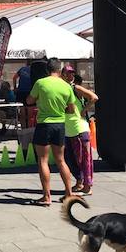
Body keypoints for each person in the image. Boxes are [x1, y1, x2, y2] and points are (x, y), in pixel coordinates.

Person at [26, 57, 78, 207]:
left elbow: (29, 100)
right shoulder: (66, 85)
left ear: (47, 69)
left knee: (43, 160)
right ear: (59, 70)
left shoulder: (41, 83)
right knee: (61, 160)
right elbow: (71, 109)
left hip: (44, 125)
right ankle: (69, 193)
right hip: (60, 125)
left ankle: (46, 196)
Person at [62, 65, 98, 195]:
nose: (69, 75)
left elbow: (94, 97)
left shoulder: (75, 88)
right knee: (69, 158)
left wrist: (84, 110)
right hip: (67, 129)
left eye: (72, 73)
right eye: (67, 73)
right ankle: (79, 181)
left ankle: (87, 186)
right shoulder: (62, 88)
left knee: (85, 159)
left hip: (79, 128)